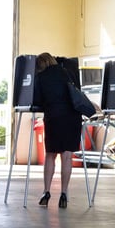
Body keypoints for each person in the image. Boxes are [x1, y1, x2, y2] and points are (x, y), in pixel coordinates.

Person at [35, 52, 82, 209]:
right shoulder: (67, 72)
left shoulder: (40, 78)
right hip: (72, 117)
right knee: (67, 156)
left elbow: (38, 99)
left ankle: (46, 192)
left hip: (53, 117)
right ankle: (63, 193)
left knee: (50, 155)